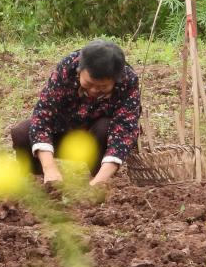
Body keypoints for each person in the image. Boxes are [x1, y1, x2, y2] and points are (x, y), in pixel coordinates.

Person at [11, 39, 141, 186]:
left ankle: (98, 176)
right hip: (63, 130)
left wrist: (97, 184)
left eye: (102, 87)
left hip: (95, 137)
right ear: (79, 70)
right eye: (89, 83)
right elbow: (43, 116)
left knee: (105, 128)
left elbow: (124, 132)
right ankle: (39, 179)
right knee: (21, 133)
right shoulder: (67, 67)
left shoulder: (128, 81)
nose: (93, 90)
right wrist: (50, 168)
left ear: (116, 81)